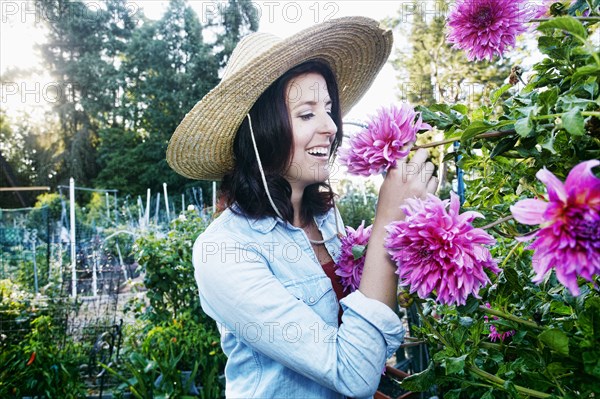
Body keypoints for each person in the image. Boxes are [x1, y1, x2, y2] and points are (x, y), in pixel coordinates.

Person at [166, 16, 437, 399]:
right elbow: (352, 373)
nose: (331, 126)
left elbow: (368, 338)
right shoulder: (225, 251)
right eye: (307, 113)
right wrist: (388, 223)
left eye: (328, 108)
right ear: (260, 131)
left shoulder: (326, 218)